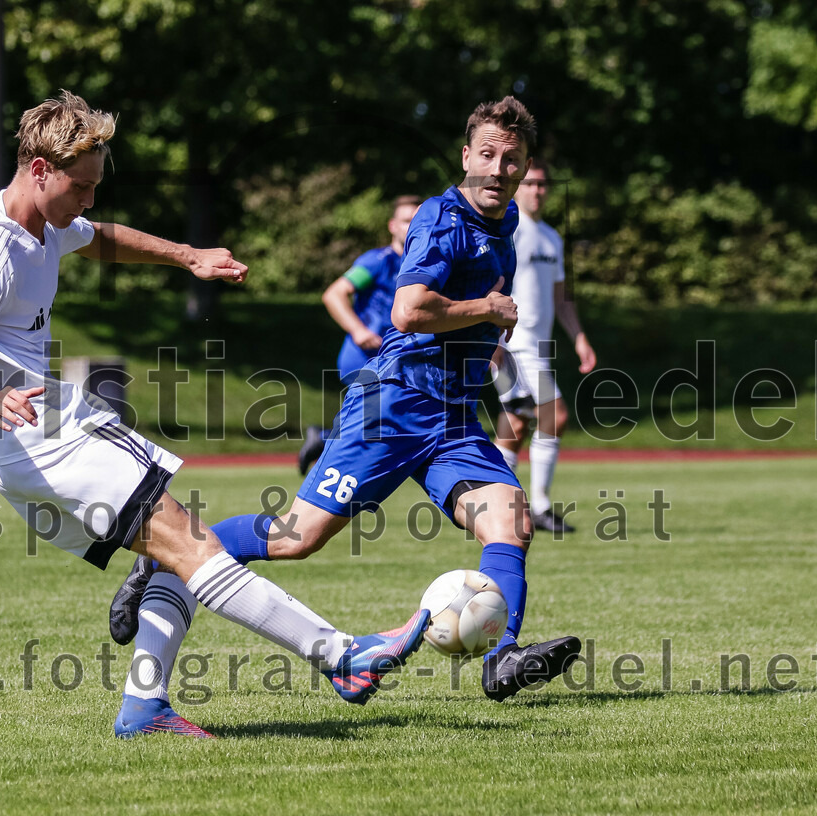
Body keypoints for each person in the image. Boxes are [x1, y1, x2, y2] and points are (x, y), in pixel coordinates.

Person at [0, 91, 430, 739]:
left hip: (32, 442)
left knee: (174, 555)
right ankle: (342, 656)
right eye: (82, 185)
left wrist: (189, 256)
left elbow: (99, 240)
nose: (89, 200)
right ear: (40, 170)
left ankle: (143, 708)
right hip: (41, 437)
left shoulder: (43, 224)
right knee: (189, 545)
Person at [113, 97, 581, 702]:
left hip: (454, 417)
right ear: (466, 157)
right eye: (486, 155)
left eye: (510, 159)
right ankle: (160, 554)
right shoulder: (441, 219)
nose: (497, 169)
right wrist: (489, 310)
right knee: (297, 537)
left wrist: (487, 345)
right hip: (394, 404)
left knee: (511, 521)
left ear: (525, 166)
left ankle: (502, 656)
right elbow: (408, 311)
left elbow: (465, 315)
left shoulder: (507, 224)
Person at [493, 160, 597, 534]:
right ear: (518, 187)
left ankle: (498, 506)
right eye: (530, 184)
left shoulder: (551, 237)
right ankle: (537, 506)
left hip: (539, 346)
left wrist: (578, 336)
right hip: (512, 344)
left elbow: (561, 296)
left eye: (542, 185)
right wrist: (493, 340)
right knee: (556, 415)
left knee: (517, 424)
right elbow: (491, 282)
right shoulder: (509, 229)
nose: (537, 191)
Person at [297, 196, 422, 475]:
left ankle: (325, 442)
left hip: (395, 361)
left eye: (418, 220)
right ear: (392, 226)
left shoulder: (422, 263)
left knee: (378, 428)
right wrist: (358, 330)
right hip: (365, 358)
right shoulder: (379, 262)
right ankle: (327, 454)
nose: (412, 226)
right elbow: (334, 293)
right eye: (406, 220)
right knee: (375, 427)